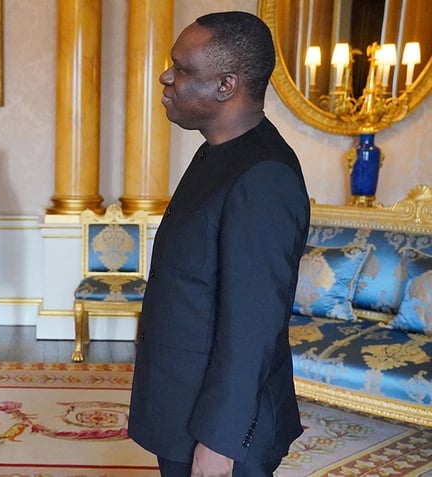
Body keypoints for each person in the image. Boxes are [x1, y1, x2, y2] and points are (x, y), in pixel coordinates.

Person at [128, 11, 309, 477]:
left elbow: (253, 326)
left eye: (183, 69)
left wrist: (219, 442)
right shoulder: (218, 151)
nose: (166, 76)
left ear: (226, 85)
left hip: (222, 432)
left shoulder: (263, 176)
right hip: (184, 406)